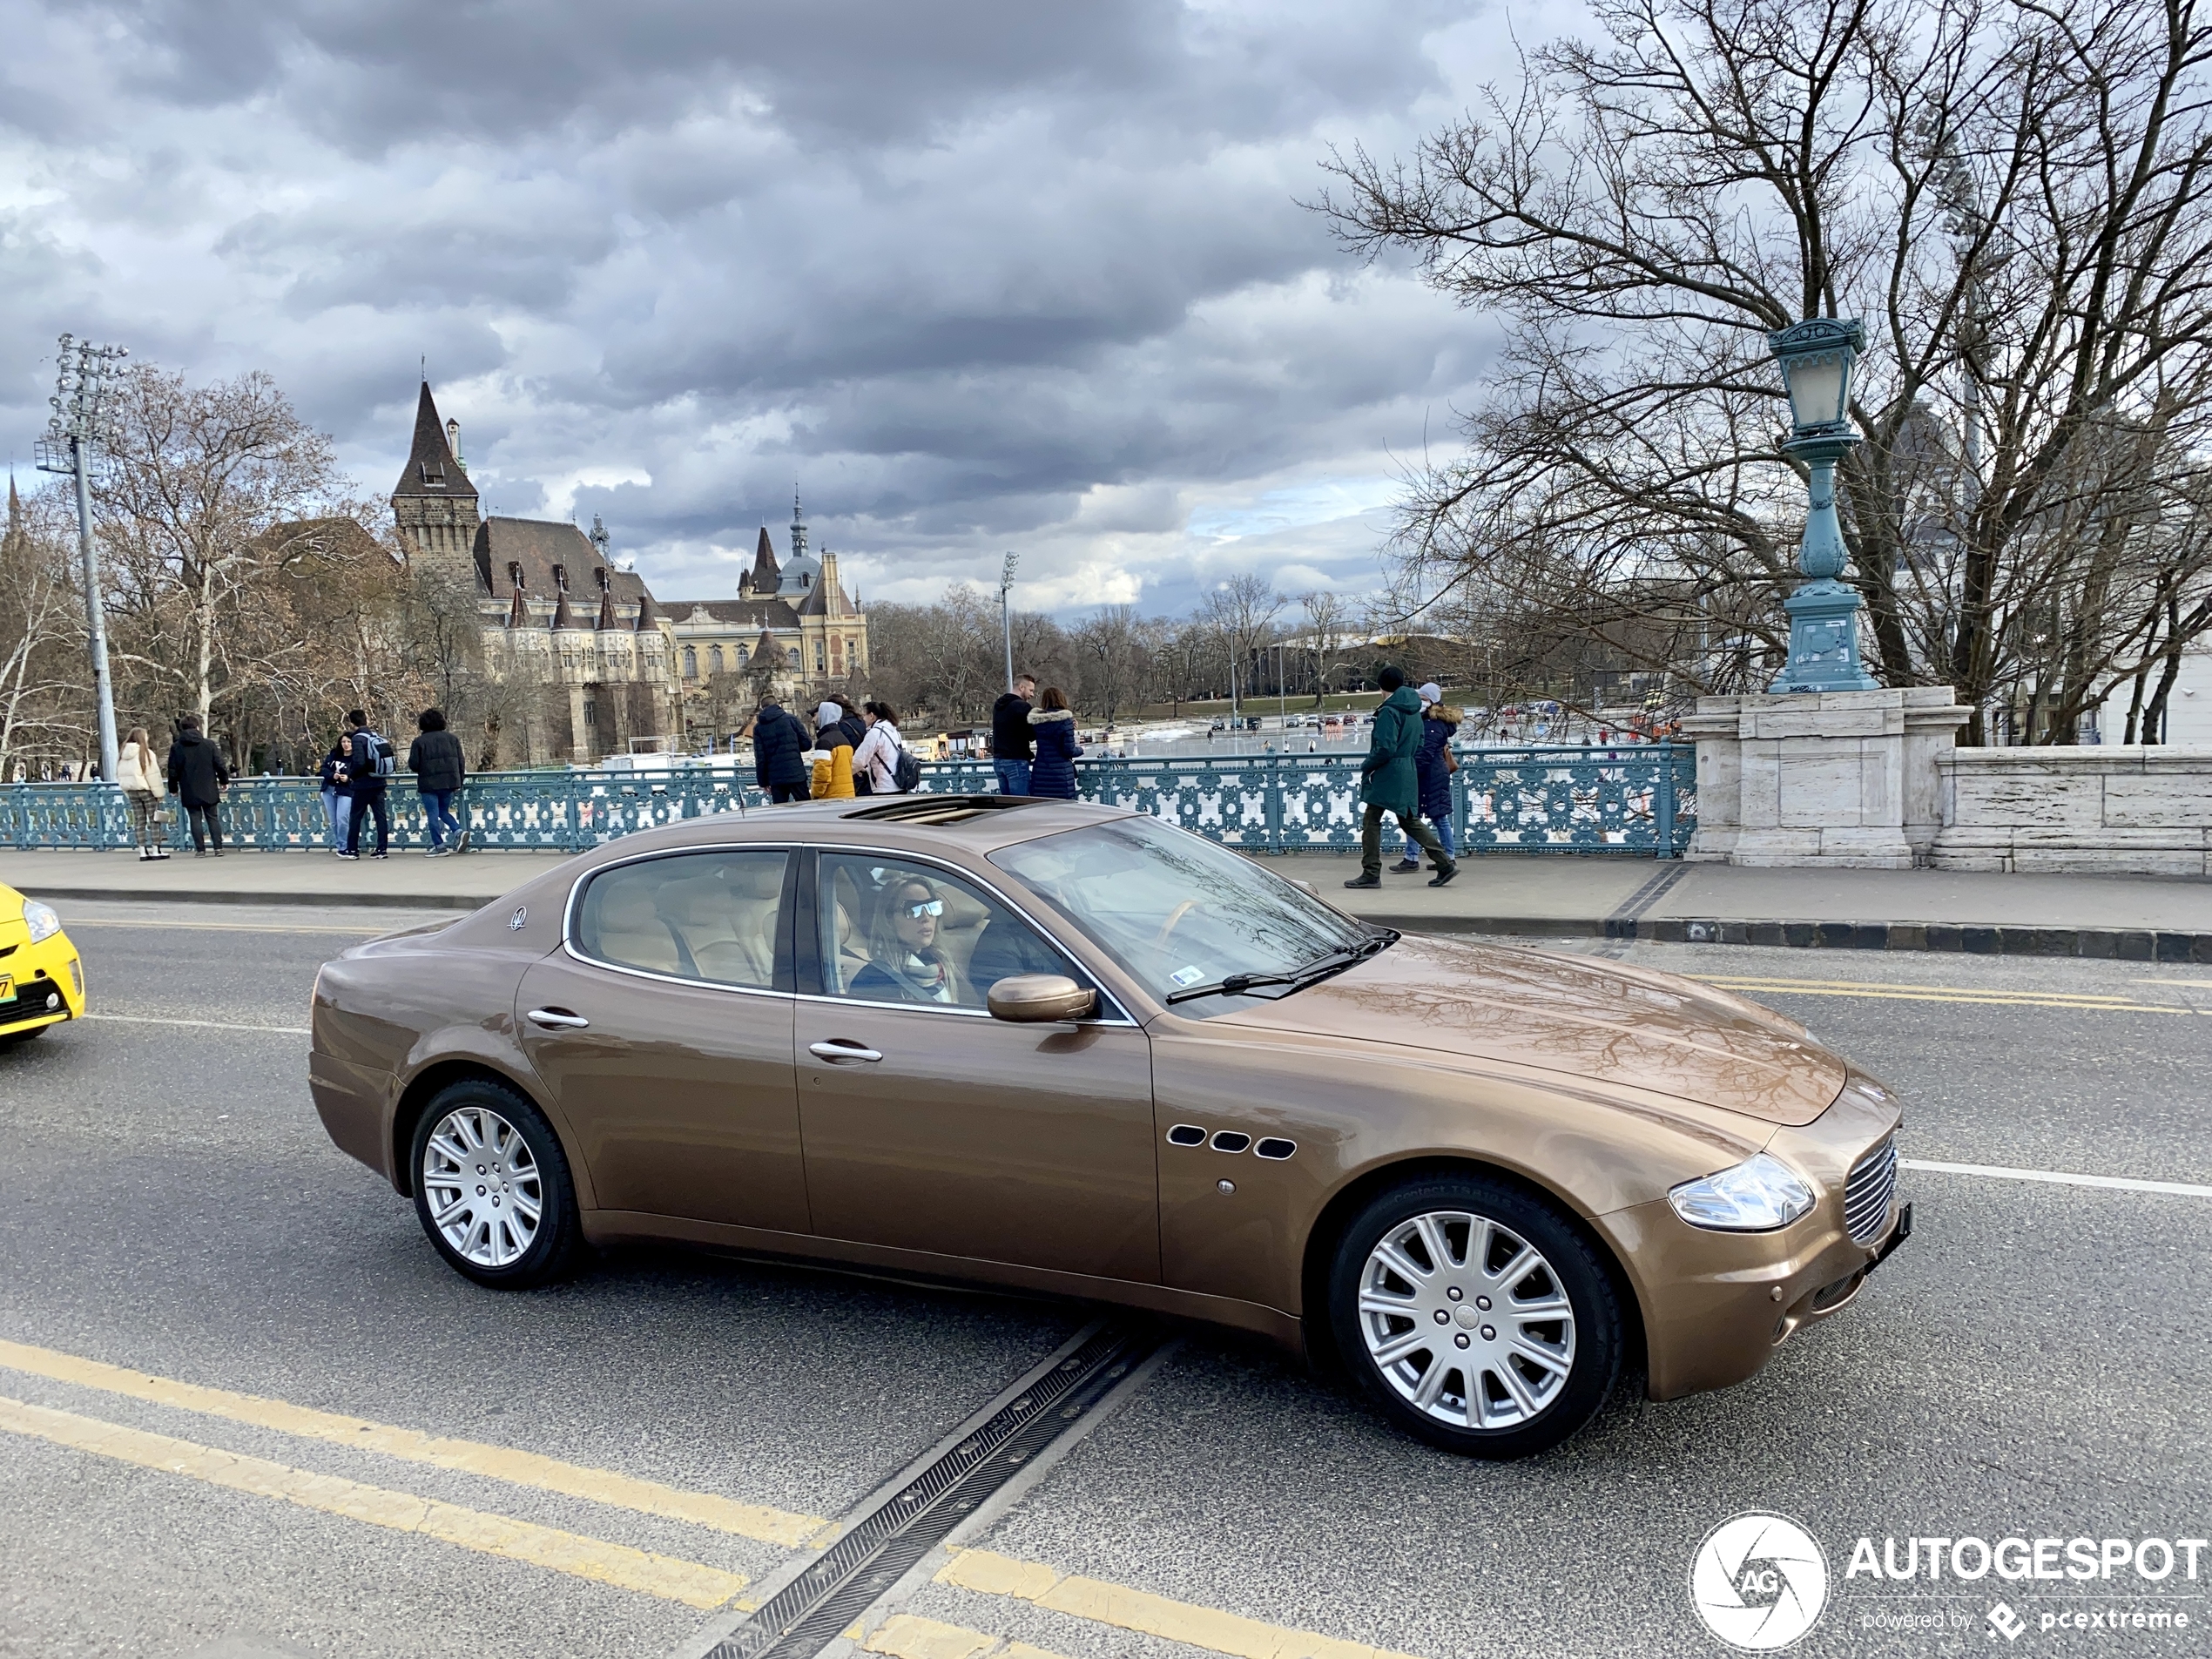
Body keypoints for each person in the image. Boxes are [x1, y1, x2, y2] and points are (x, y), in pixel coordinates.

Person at [1345, 666, 1457, 890]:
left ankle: (1371, 872)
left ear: (1381, 687)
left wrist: (1367, 766)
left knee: (1372, 820)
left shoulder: (1389, 711)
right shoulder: (1414, 710)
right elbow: (1420, 741)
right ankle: (1445, 863)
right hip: (1408, 768)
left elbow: (1384, 748)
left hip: (1389, 771)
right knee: (1409, 819)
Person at [849, 876, 966, 1005]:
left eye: (932, 907)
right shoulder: (874, 981)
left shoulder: (941, 965)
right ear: (889, 920)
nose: (926, 917)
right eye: (912, 910)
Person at [1393, 683, 1461, 872]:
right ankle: (1441, 856)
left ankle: (1425, 857)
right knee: (1420, 816)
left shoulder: (1433, 724)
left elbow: (1425, 752)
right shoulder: (1430, 720)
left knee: (1432, 816)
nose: (1419, 702)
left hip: (1429, 775)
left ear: (1432, 701)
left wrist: (1411, 771)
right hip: (1432, 773)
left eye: (1423, 699)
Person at [165, 715, 231, 858]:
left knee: (195, 818)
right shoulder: (209, 744)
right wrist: (224, 780)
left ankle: (200, 850)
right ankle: (218, 848)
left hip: (188, 787)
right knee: (212, 817)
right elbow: (219, 764)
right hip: (209, 786)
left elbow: (172, 770)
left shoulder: (176, 747)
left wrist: (173, 788)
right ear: (198, 727)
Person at [408, 708, 469, 856]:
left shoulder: (419, 742)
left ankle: (440, 846)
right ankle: (459, 831)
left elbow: (414, 765)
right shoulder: (452, 739)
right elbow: (461, 761)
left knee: (433, 815)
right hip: (449, 782)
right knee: (443, 811)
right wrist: (459, 781)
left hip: (429, 784)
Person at [341, 709, 392, 861]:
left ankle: (352, 850)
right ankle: (382, 849)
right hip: (379, 781)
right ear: (366, 720)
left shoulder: (357, 739)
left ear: (352, 723)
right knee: (380, 816)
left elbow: (359, 763)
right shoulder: (375, 736)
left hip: (363, 784)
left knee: (356, 816)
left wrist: (351, 776)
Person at [118, 726, 169, 860]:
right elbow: (152, 775)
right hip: (145, 790)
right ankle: (156, 850)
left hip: (132, 791)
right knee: (154, 820)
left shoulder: (123, 755)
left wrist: (126, 791)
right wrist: (159, 793)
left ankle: (142, 851)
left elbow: (120, 775)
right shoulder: (145, 753)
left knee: (139, 821)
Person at [751, 698, 813, 803]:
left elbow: (760, 758)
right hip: (796, 773)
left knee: (780, 812)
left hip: (776, 778)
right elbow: (806, 745)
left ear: (762, 708)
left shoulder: (758, 728)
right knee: (805, 807)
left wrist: (763, 782)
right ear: (778, 705)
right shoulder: (792, 719)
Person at [1027, 686, 1082, 799]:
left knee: (1043, 810)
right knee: (1063, 811)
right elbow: (1069, 750)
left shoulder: (1037, 722)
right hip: (1061, 774)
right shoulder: (1066, 721)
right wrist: (1081, 750)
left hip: (1041, 773)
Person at [991, 672, 1037, 795]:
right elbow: (1032, 735)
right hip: (1016, 760)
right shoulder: (1023, 707)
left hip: (998, 760)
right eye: (1031, 690)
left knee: (1007, 805)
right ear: (1022, 687)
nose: (1032, 694)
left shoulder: (998, 704)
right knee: (1020, 805)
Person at [853, 700, 907, 796]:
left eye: (864, 716)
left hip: (884, 787)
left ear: (871, 715)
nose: (863, 719)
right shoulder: (894, 731)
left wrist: (843, 775)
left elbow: (859, 760)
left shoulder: (875, 733)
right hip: (899, 784)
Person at [811, 699, 857, 799]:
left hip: (830, 799)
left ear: (824, 715)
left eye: (816, 715)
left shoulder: (824, 742)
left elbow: (821, 775)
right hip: (848, 797)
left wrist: (815, 794)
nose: (813, 720)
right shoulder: (844, 740)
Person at [318, 739, 350, 849]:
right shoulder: (333, 754)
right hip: (329, 789)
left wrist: (348, 778)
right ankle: (340, 845)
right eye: (344, 742)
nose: (346, 744)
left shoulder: (356, 757)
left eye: (349, 742)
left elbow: (359, 772)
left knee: (342, 819)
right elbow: (323, 769)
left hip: (345, 790)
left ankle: (345, 845)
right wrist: (332, 775)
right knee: (333, 822)